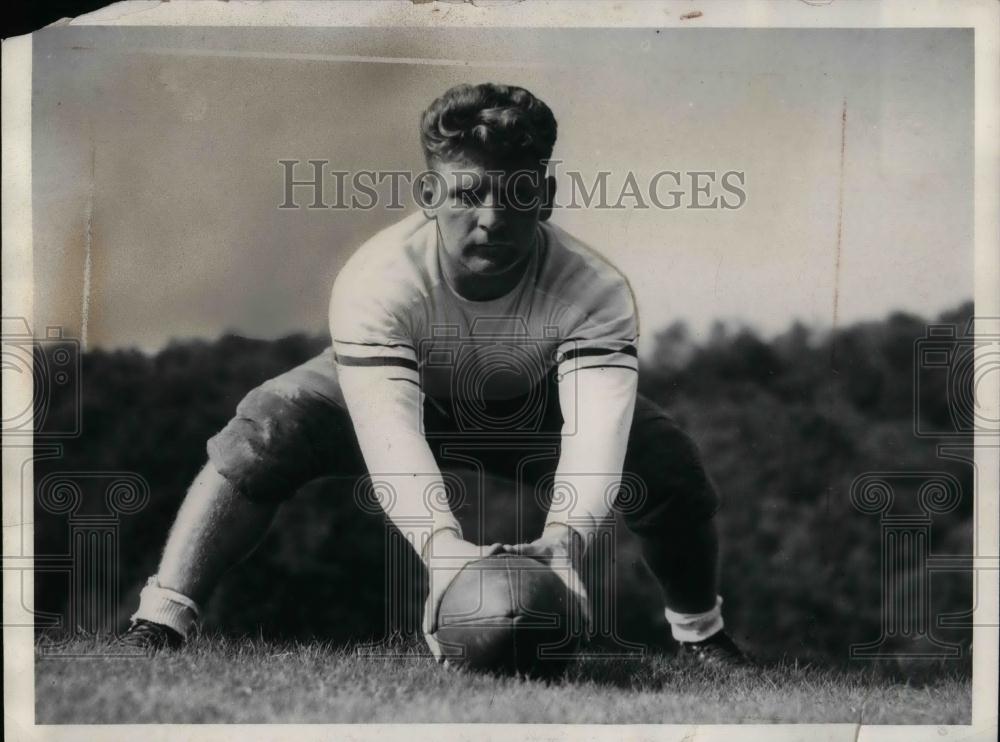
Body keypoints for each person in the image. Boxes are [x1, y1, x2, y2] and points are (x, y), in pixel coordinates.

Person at [122, 82, 748, 668]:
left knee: (665, 459)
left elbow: (595, 440)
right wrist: (444, 552)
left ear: (548, 198)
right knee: (267, 427)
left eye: (518, 194)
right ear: (428, 199)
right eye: (469, 194)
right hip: (402, 395)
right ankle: (160, 620)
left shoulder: (596, 289)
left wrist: (564, 541)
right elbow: (390, 434)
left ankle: (703, 637)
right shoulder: (378, 280)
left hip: (530, 403)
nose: (494, 218)